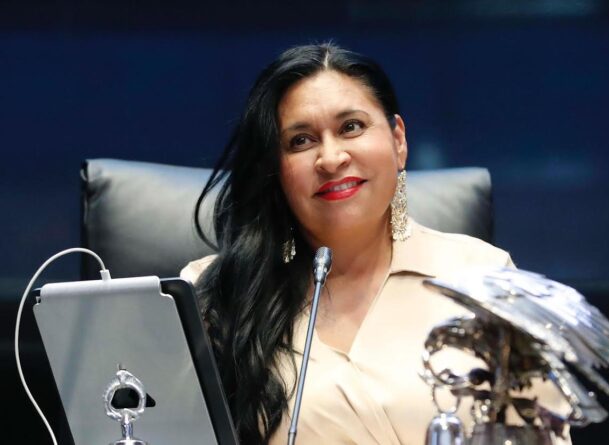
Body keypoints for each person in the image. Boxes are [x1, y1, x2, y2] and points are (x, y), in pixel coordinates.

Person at [181, 43, 569, 444]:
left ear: (398, 140)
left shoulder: (486, 278)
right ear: (274, 171)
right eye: (301, 141)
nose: (331, 158)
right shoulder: (215, 296)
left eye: (351, 127)